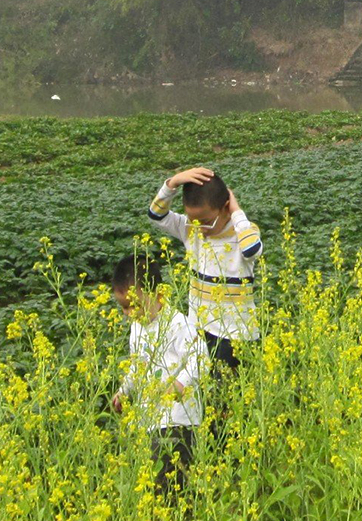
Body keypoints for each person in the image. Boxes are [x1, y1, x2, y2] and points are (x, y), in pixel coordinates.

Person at [146, 167, 263, 377]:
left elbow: (252, 249)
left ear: (225, 208)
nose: (200, 228)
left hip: (235, 337)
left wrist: (236, 211)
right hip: (198, 330)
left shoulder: (243, 233)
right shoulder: (191, 229)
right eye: (194, 221)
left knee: (228, 401)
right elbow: (156, 215)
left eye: (207, 222)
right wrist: (172, 184)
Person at [108, 254, 205, 495]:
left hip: (180, 421)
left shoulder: (177, 323)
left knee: (174, 487)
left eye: (135, 305)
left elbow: (200, 357)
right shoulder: (137, 327)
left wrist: (180, 384)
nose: (130, 313)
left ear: (158, 295)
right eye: (124, 308)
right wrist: (123, 390)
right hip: (151, 420)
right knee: (155, 483)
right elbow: (137, 365)